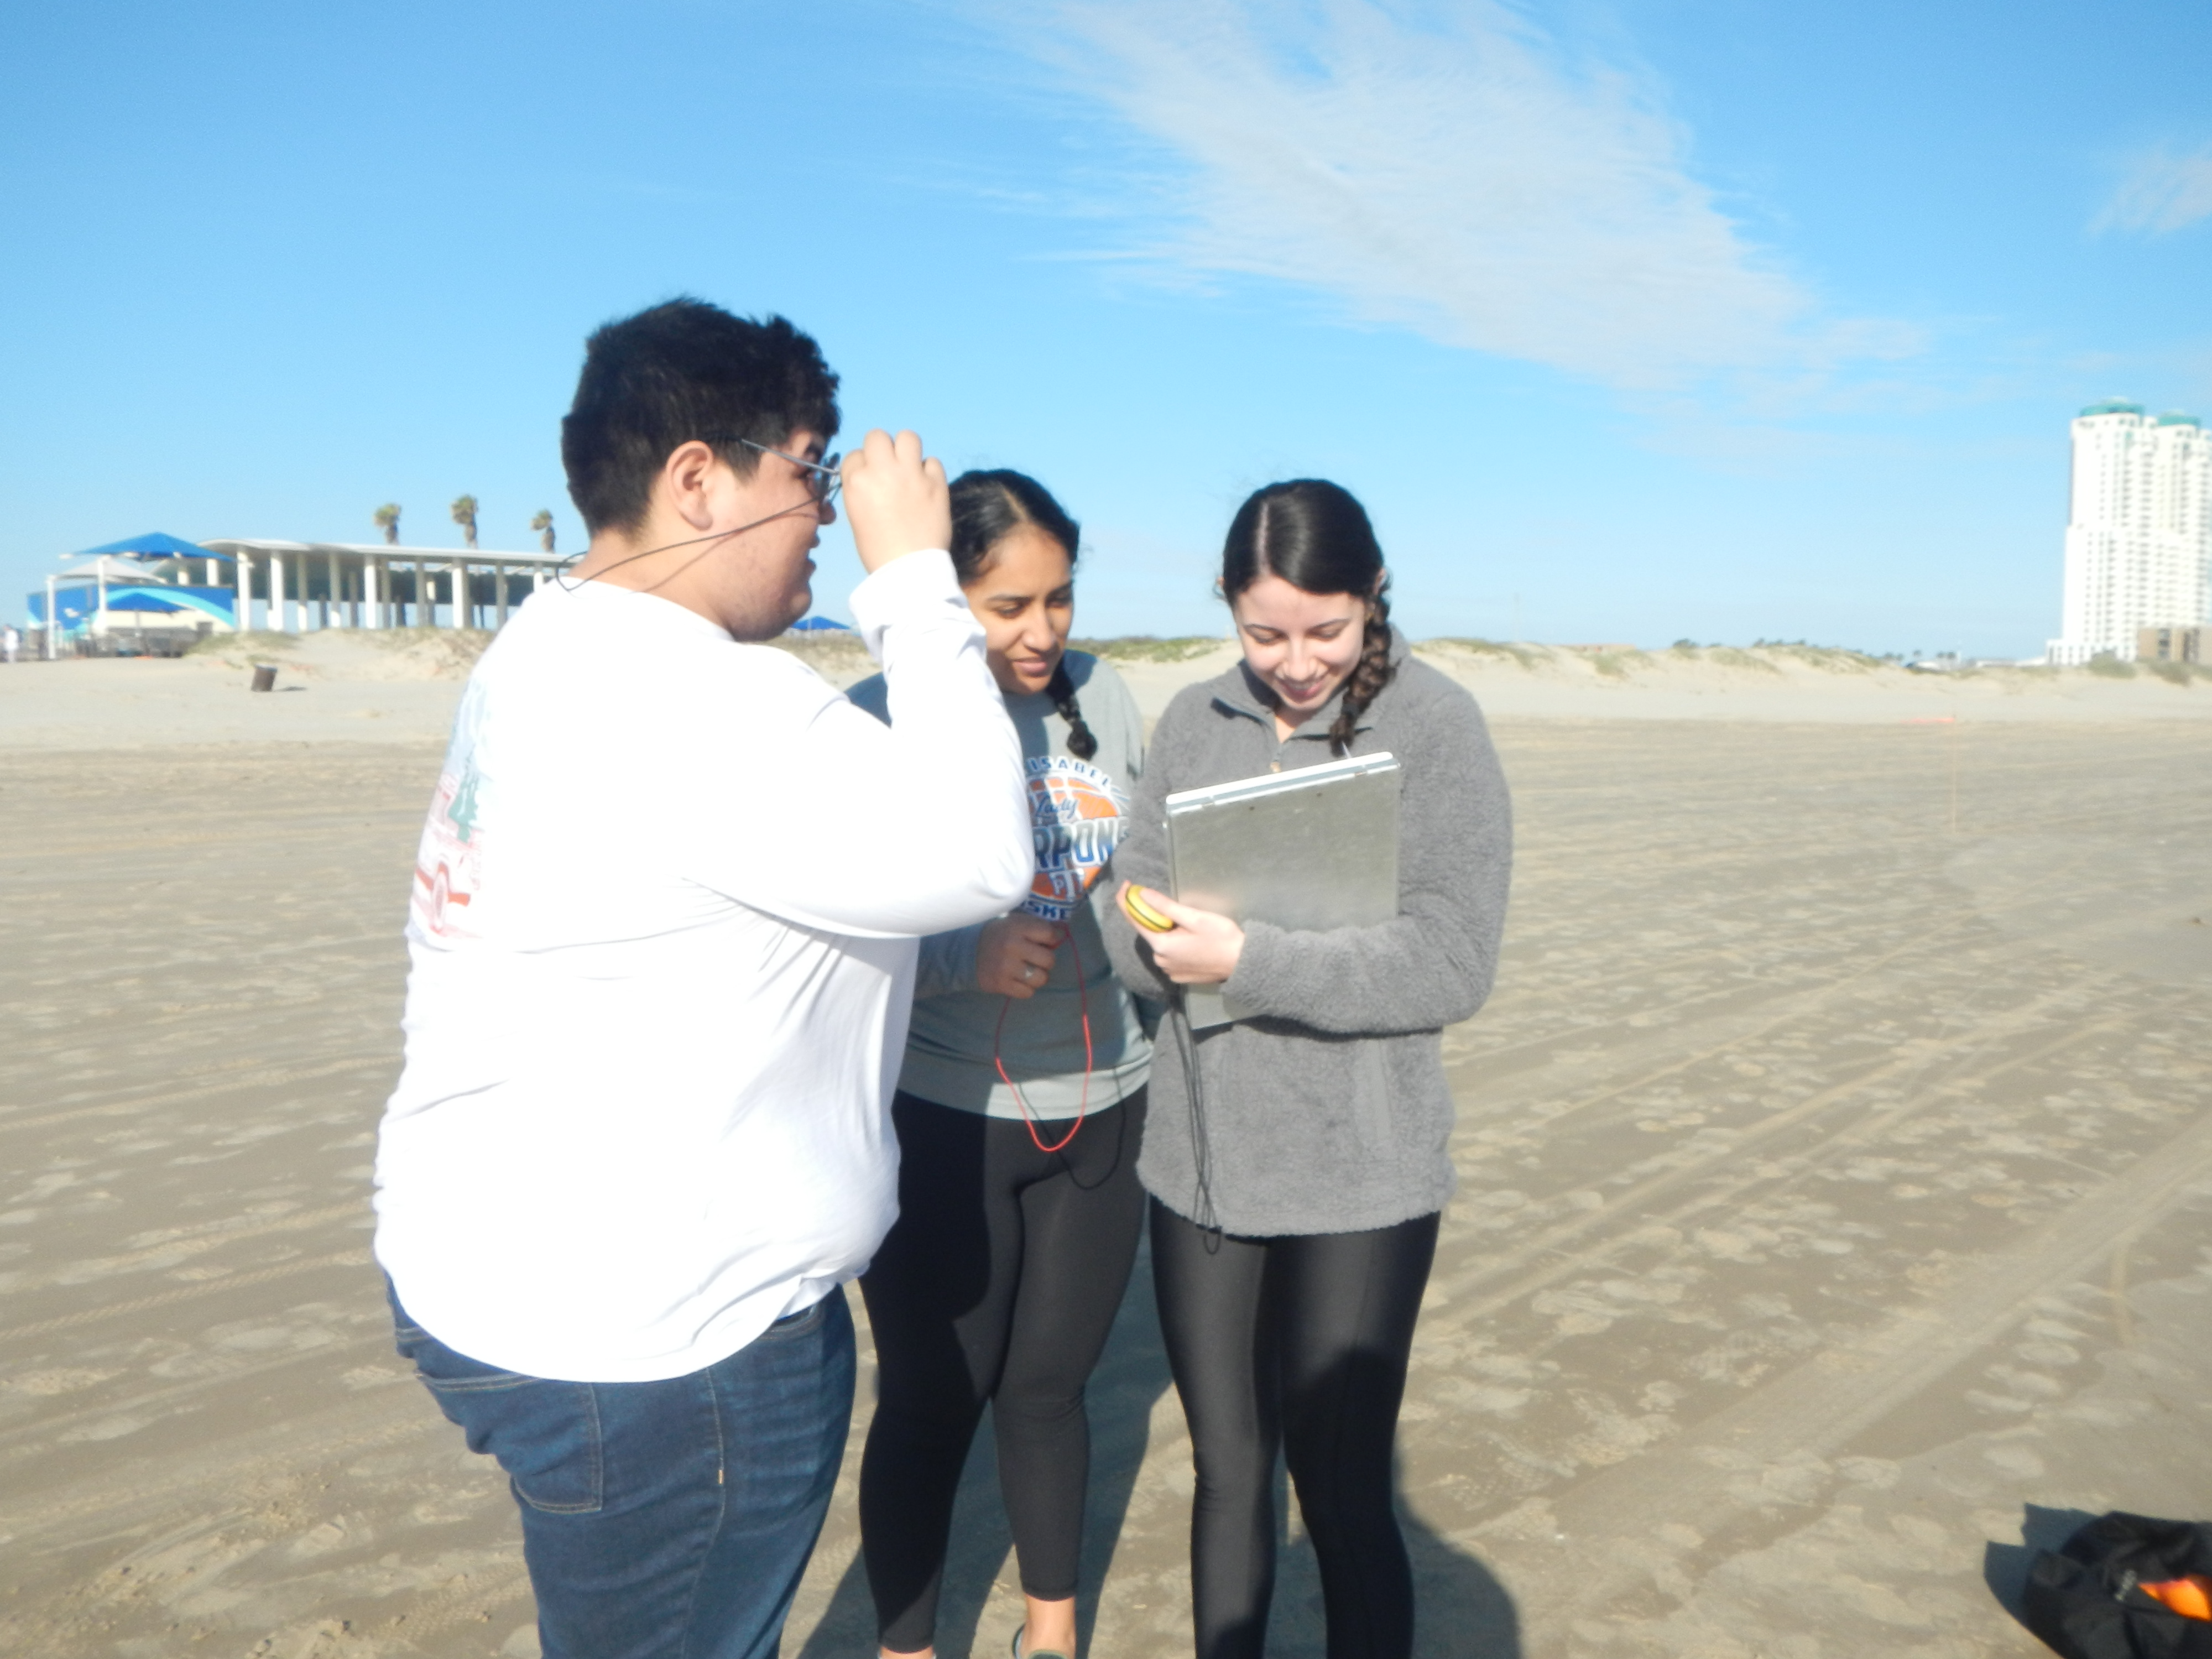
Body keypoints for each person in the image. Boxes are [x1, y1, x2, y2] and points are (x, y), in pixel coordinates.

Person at [372, 298, 1034, 1659]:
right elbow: (981, 855)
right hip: (662, 1348)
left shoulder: (550, 641)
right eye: (810, 467)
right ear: (696, 479)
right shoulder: (704, 700)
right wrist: (916, 579)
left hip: (493, 1276)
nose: (827, 508)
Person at [1101, 479, 1512, 1659]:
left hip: (1361, 1181)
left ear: (1372, 593)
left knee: (1338, 1489)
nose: (1294, 664)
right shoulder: (1192, 722)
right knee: (1227, 1472)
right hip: (1201, 1168)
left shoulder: (1435, 725)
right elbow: (1123, 906)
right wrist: (1146, 939)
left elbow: (1451, 961)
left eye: (1325, 632)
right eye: (1262, 634)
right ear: (1227, 607)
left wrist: (1250, 961)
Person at [846, 471, 1151, 1659]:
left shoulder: (1107, 698)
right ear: (945, 599)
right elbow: (837, 935)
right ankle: (908, 1648)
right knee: (932, 1401)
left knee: (1047, 1394)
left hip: (1104, 1104)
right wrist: (962, 957)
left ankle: (1051, 1639)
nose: (1042, 633)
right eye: (1008, 607)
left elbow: (1145, 879)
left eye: (1059, 600)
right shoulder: (875, 719)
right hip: (943, 1115)